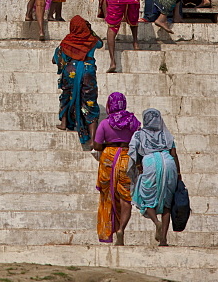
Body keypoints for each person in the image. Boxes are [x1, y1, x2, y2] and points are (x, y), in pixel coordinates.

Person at [93, 92, 141, 245]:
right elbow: (139, 140)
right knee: (126, 197)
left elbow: (97, 145)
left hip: (108, 158)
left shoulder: (105, 123)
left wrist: (110, 143)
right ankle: (121, 229)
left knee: (107, 195)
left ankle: (108, 230)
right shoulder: (133, 121)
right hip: (127, 158)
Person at [129, 109, 181, 246]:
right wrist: (179, 174)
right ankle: (163, 239)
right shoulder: (166, 134)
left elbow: (133, 152)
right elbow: (174, 154)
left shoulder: (139, 134)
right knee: (167, 203)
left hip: (150, 162)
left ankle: (156, 222)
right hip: (168, 162)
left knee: (145, 197)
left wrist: (137, 167)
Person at [52, 16, 103, 148]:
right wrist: (90, 31)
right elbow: (101, 43)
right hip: (88, 72)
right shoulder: (92, 40)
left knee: (66, 96)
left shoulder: (67, 41)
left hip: (70, 72)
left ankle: (64, 123)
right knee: (90, 102)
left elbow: (55, 59)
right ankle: (92, 139)